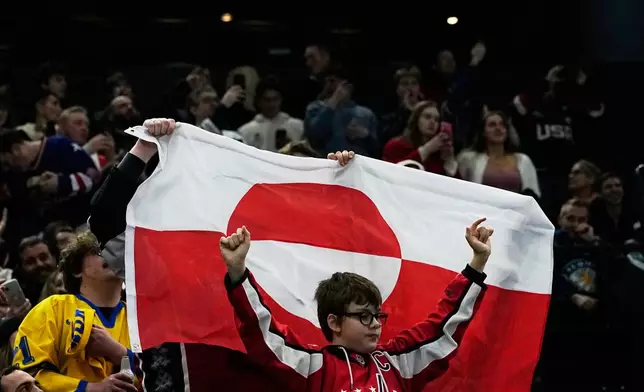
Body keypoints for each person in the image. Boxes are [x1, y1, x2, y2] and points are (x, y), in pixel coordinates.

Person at [220, 162, 493, 392]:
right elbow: (263, 333)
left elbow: (441, 328)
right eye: (364, 316)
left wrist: (476, 264)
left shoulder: (399, 362)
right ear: (334, 321)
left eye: (377, 316)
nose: (375, 324)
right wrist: (238, 273)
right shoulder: (314, 367)